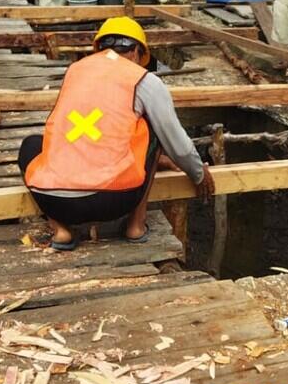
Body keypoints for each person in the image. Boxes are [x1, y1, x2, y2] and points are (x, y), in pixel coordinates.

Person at [19, 17, 216, 250]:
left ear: (99, 48)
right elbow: (178, 144)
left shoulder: (74, 71)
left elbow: (78, 135)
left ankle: (61, 230)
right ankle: (136, 226)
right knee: (153, 127)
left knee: (31, 144)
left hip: (53, 200)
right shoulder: (143, 80)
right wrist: (198, 173)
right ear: (136, 52)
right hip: (114, 200)